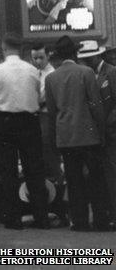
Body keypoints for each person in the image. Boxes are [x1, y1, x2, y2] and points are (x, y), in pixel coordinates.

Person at [0, 35, 51, 230]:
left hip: (5, 122)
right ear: (21, 50)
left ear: (3, 48)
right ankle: (41, 217)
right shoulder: (32, 70)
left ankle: (12, 217)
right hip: (30, 122)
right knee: (35, 170)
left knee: (8, 170)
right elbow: (38, 96)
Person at [45, 36, 110, 231]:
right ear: (75, 53)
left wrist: (54, 139)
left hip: (66, 136)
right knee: (96, 179)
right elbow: (96, 105)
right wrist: (101, 131)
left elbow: (51, 111)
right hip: (89, 135)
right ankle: (100, 220)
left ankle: (79, 221)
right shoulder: (86, 72)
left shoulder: (51, 78)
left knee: (73, 181)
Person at [75, 40, 116, 229]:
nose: (84, 62)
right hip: (100, 134)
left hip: (111, 132)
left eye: (87, 58)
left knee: (112, 174)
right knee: (105, 176)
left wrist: (107, 123)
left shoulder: (112, 72)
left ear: (96, 56)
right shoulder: (92, 74)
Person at [30, 42, 66, 225]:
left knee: (49, 158)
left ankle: (59, 201)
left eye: (40, 57)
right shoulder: (36, 73)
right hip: (38, 118)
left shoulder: (51, 74)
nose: (37, 61)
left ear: (48, 56)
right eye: (34, 57)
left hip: (46, 119)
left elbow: (40, 97)